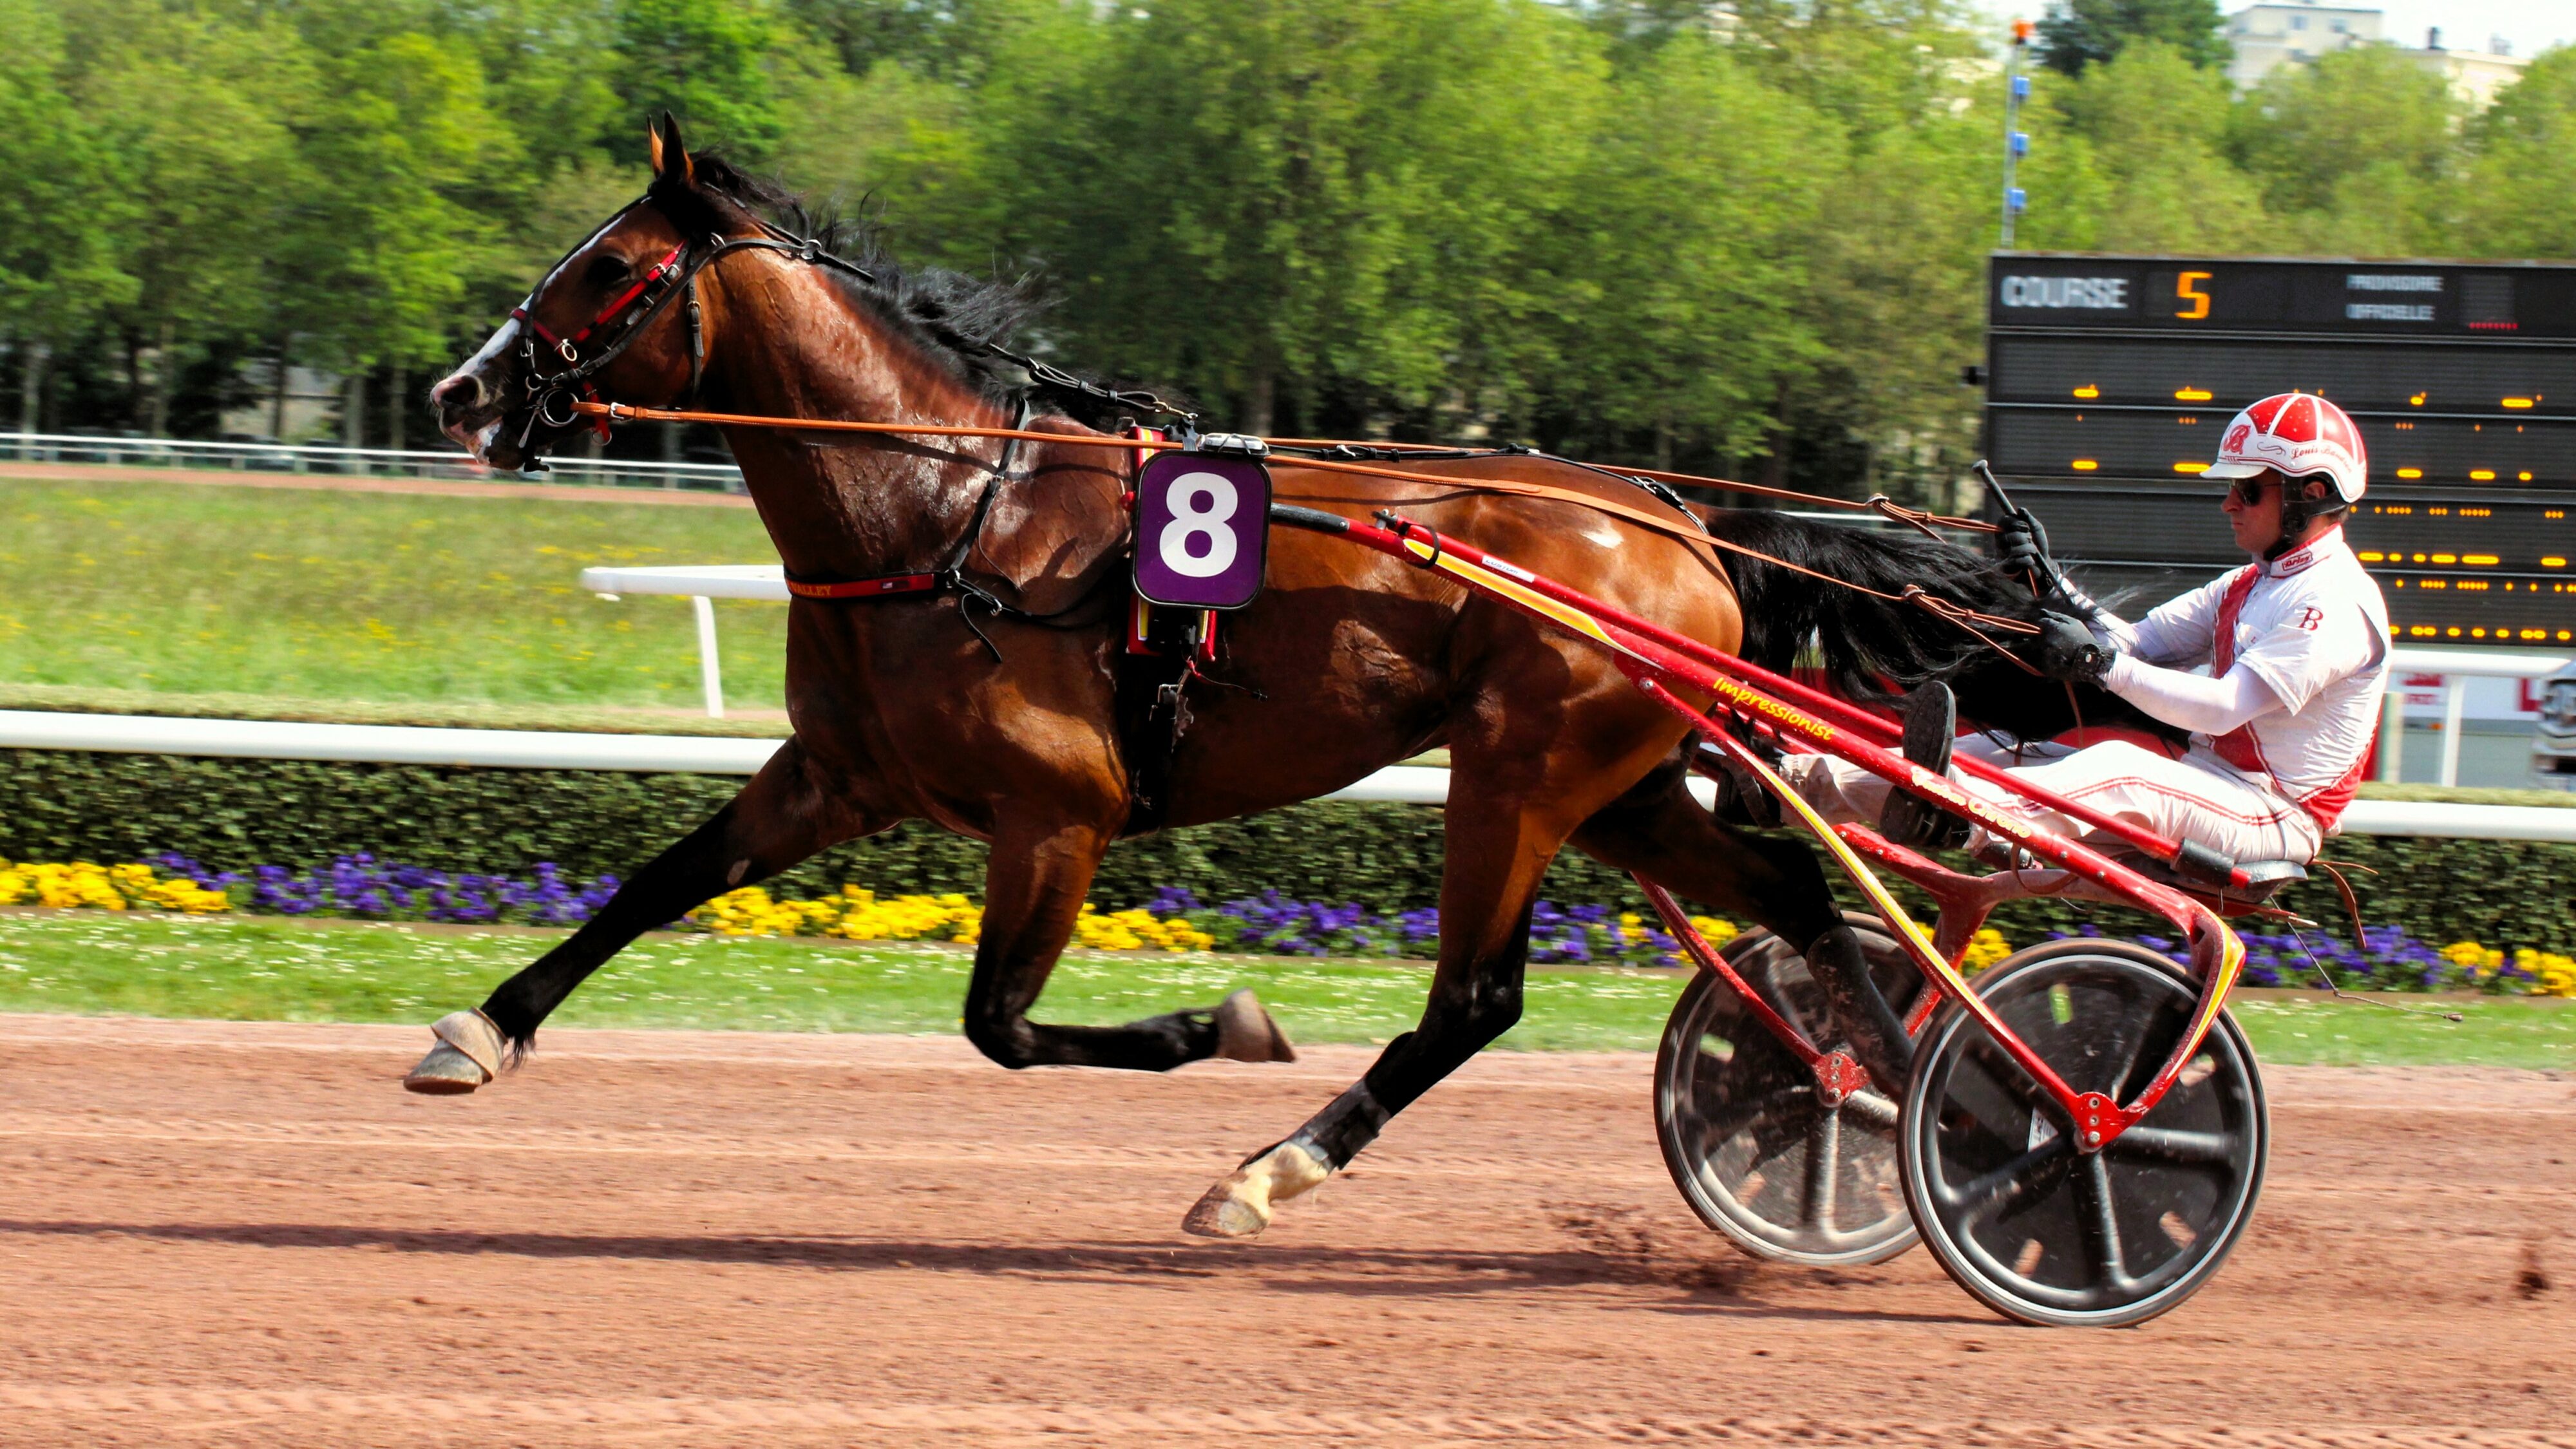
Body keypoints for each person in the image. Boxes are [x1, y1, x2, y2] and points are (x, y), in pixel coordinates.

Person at [1782, 392, 2391, 871]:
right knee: (2001, 751)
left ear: (2309, 496)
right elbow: (2136, 644)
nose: (2229, 503)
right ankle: (1788, 782)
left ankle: (1960, 816)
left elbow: (2225, 710)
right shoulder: (2249, 582)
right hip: (2213, 785)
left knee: (2121, 767)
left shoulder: (2335, 602)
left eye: (2248, 489)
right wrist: (2050, 583)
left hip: (2275, 813)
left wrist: (2098, 664)